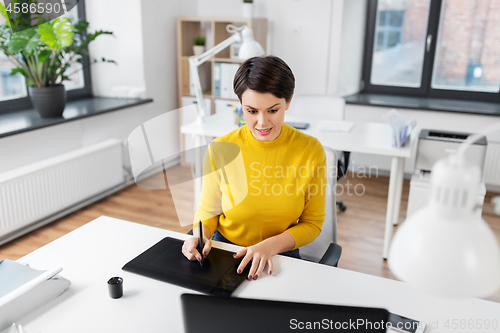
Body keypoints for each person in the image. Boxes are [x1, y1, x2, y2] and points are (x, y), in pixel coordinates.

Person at [182, 56, 327, 281]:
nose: (262, 123)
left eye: (272, 110)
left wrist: (269, 246)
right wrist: (199, 236)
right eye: (251, 111)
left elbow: (313, 224)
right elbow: (207, 213)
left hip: (281, 255)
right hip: (227, 252)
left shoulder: (310, 150)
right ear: (240, 104)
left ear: (288, 102)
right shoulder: (220, 148)